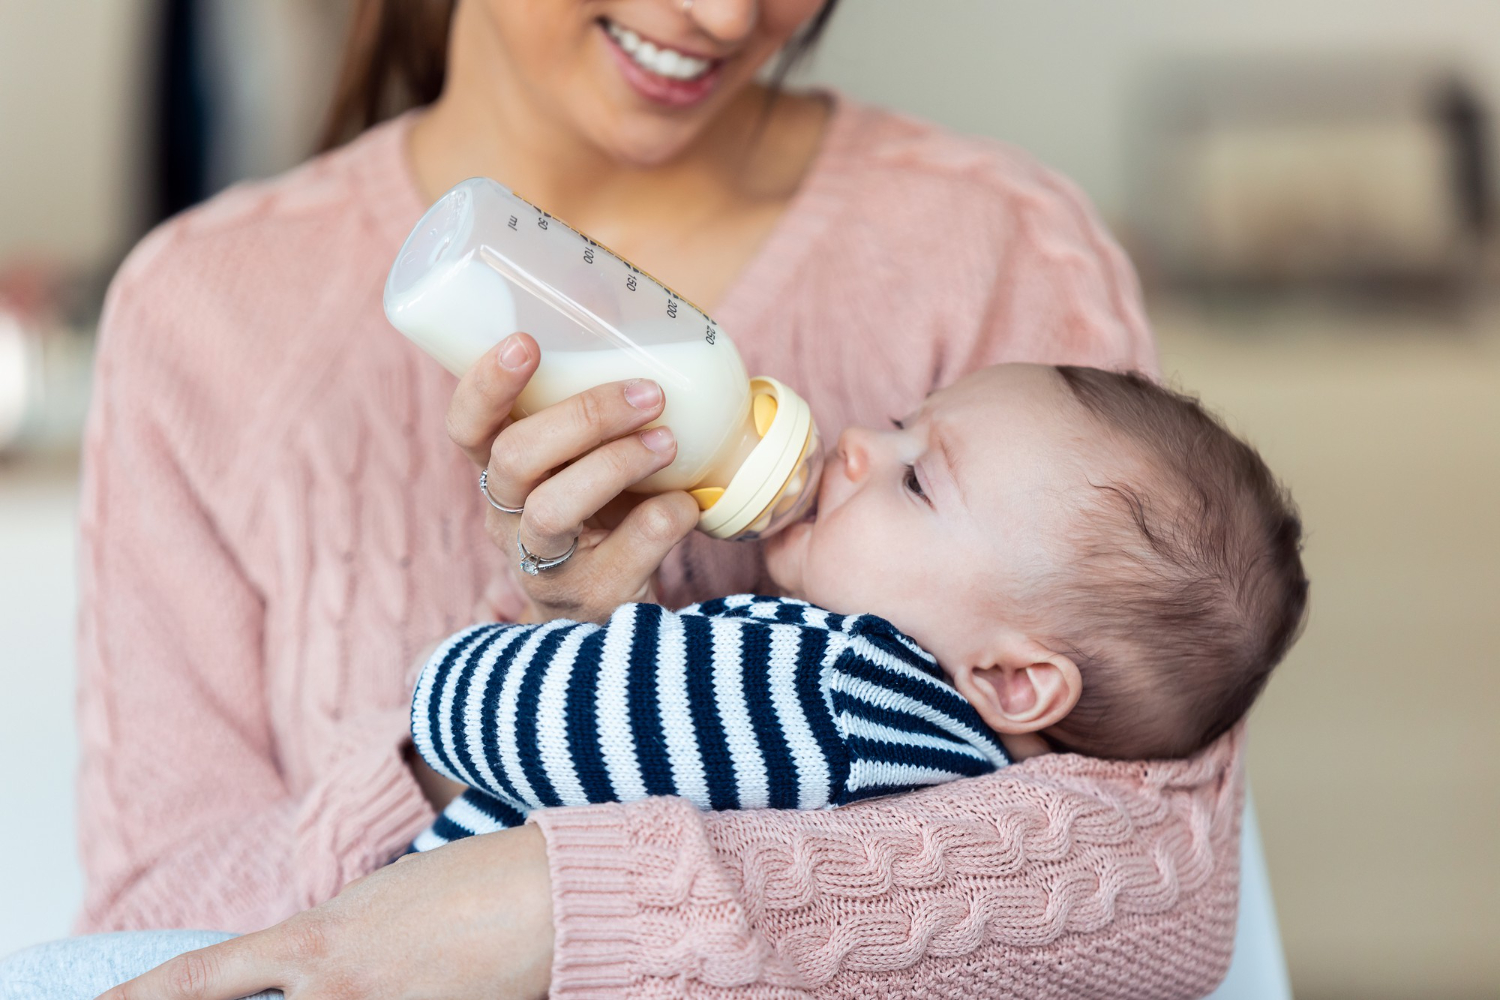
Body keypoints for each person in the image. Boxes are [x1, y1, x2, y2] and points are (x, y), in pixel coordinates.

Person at [8, 1, 1251, 997]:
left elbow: (1161, 883)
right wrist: (499, 704)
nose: (720, 15)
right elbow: (155, 932)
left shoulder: (999, 248)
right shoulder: (201, 309)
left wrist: (563, 908)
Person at [407, 363, 1307, 850]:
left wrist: (457, 672)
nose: (856, 445)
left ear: (1014, 679)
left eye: (916, 480)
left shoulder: (832, 689)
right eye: (898, 420)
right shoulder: (936, 763)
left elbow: (483, 717)